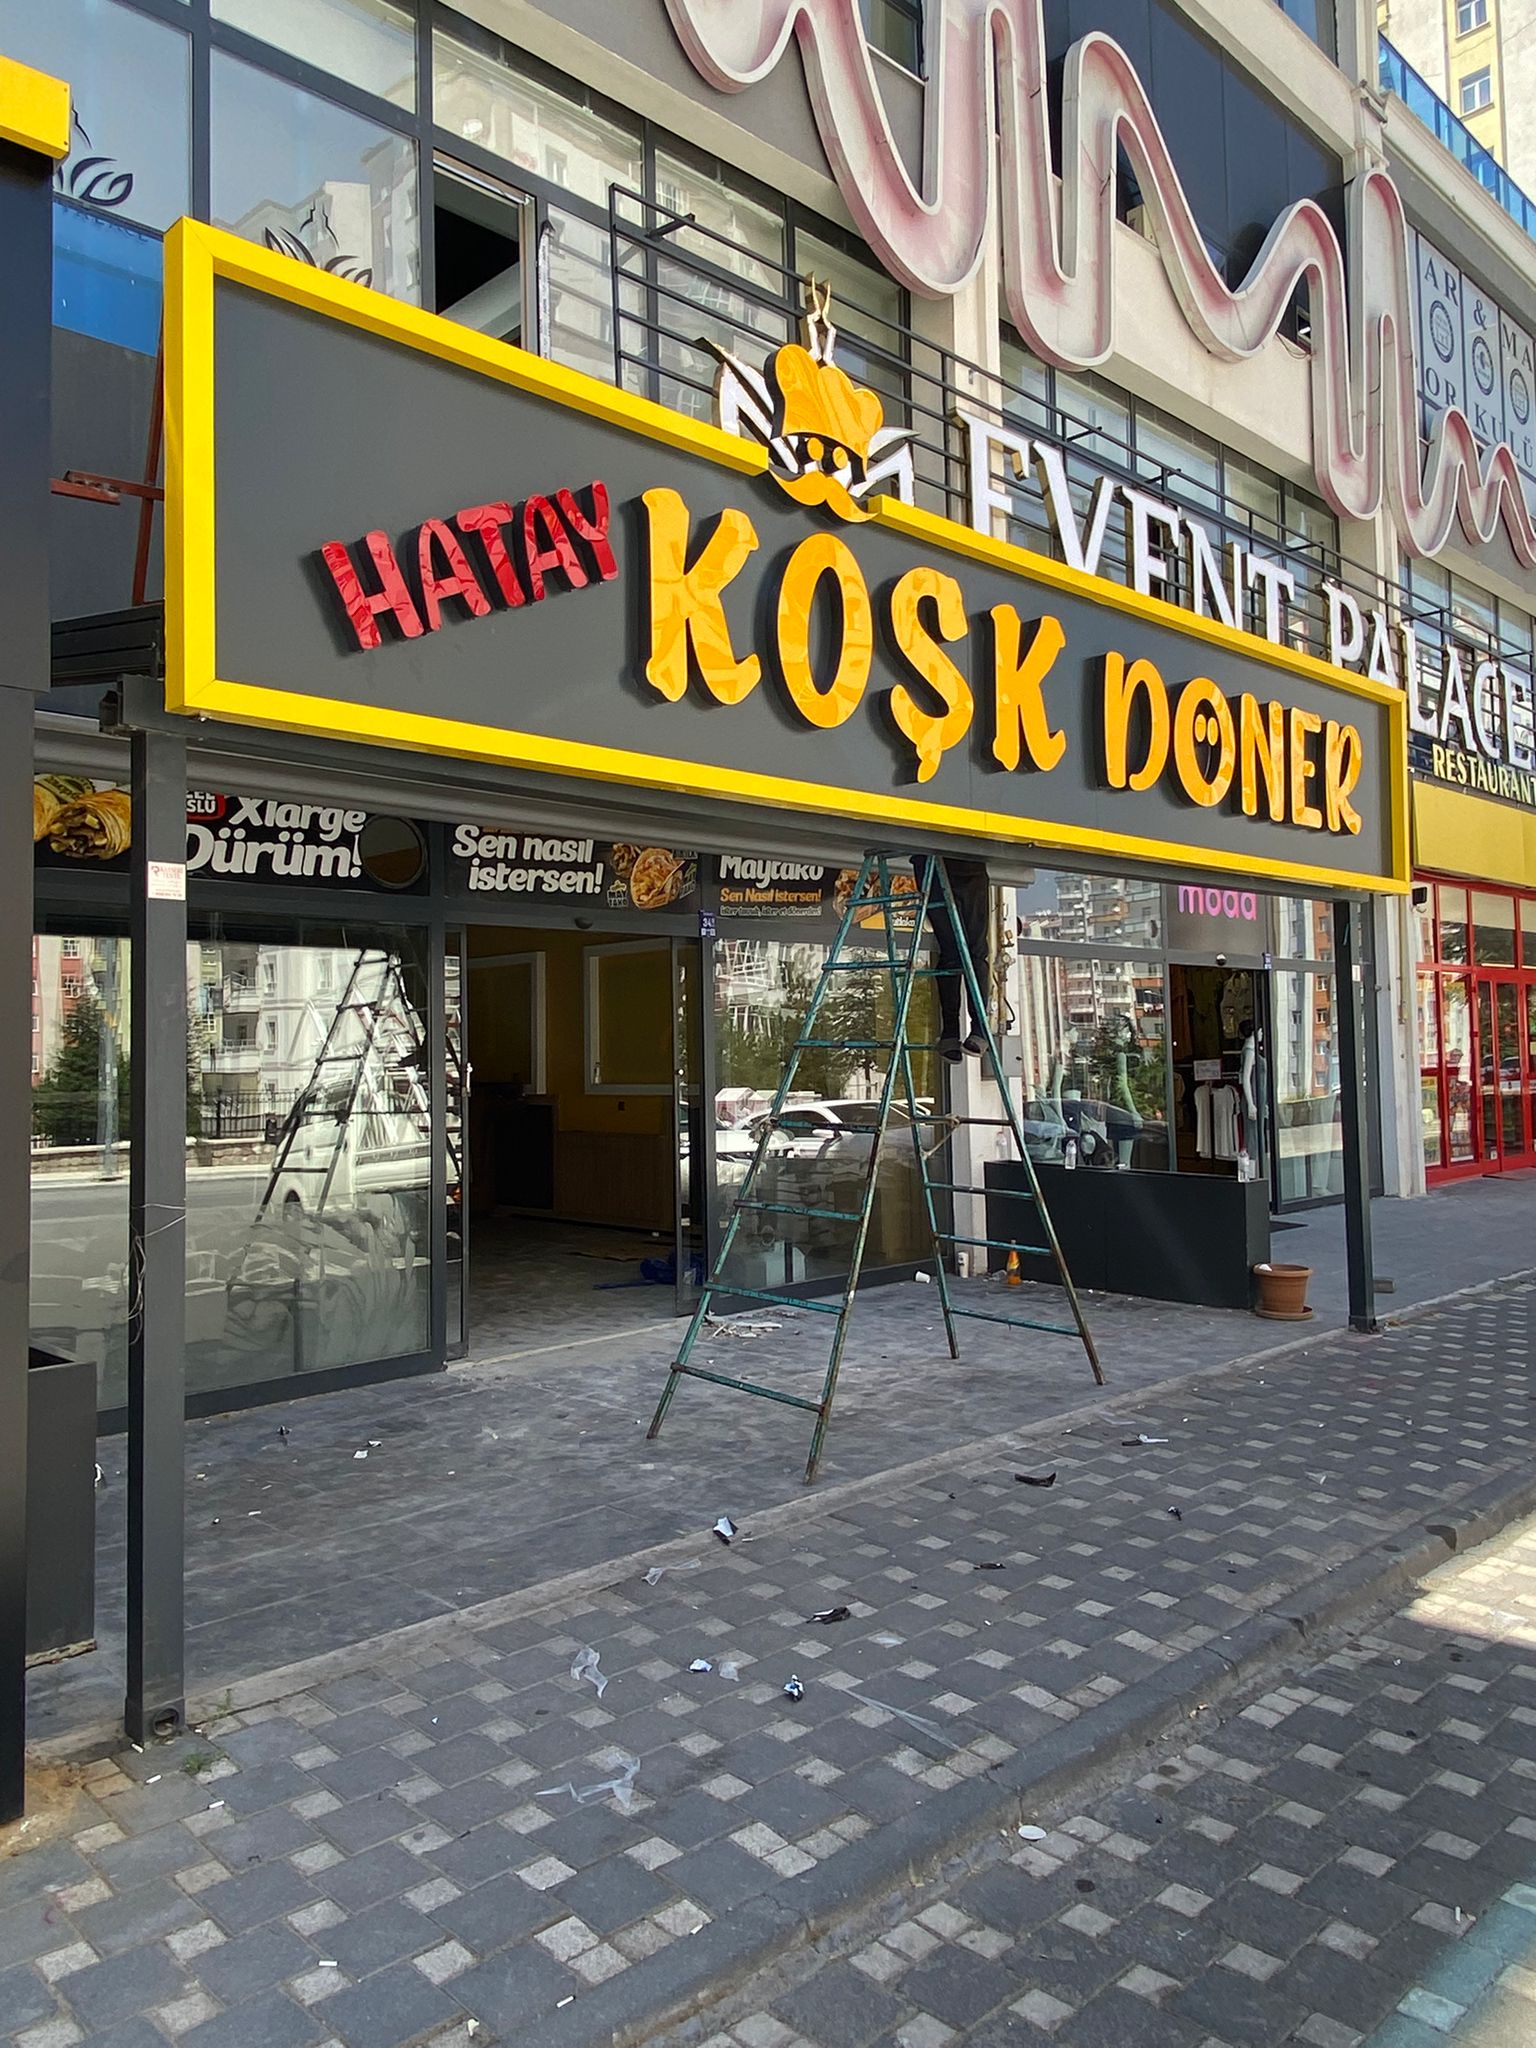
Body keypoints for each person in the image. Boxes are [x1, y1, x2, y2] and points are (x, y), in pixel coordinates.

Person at [912, 853, 990, 1062]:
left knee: (960, 954)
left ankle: (961, 1032)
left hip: (944, 865)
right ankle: (971, 1031)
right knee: (968, 953)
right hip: (953, 864)